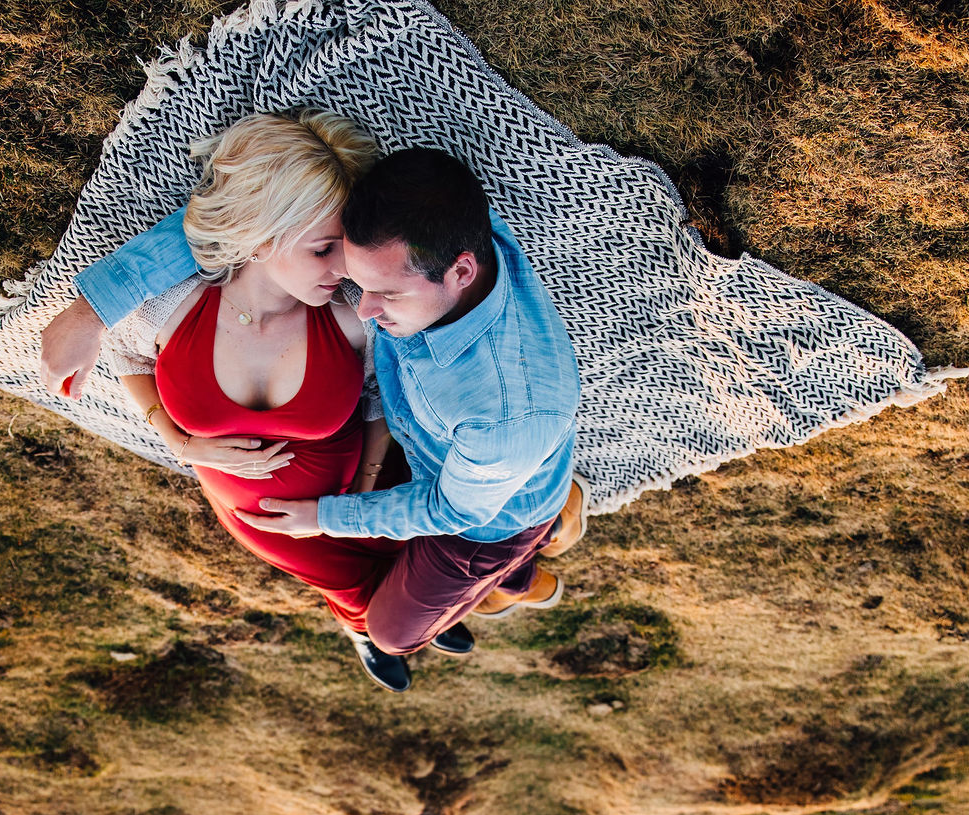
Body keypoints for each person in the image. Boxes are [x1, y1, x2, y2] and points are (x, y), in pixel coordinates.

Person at [46, 141, 583, 692]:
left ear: (461, 272)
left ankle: (520, 559)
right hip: (372, 494)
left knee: (395, 632)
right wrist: (91, 312)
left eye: (385, 293)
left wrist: (330, 513)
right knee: (377, 583)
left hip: (476, 518)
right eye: (349, 268)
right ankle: (505, 572)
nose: (365, 305)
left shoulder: (504, 414)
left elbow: (447, 510)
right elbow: (232, 221)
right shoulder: (438, 224)